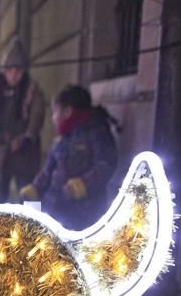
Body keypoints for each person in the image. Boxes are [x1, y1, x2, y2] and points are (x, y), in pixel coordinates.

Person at [20, 85, 119, 230]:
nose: (53, 118)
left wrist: (82, 185)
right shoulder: (63, 140)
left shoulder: (98, 133)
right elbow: (48, 171)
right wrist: (35, 188)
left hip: (82, 213)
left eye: (55, 112)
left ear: (67, 112)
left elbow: (106, 165)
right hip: (54, 208)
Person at [0, 38, 46, 201]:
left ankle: (32, 224)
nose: (14, 75)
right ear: (5, 71)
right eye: (10, 70)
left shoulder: (31, 90)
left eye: (18, 70)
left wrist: (27, 137)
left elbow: (37, 116)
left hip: (24, 152)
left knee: (28, 193)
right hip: (1, 152)